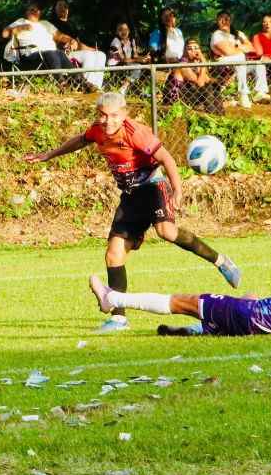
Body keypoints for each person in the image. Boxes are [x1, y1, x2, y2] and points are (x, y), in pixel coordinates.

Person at [23, 92, 241, 333]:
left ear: (124, 113)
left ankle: (221, 261)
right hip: (130, 197)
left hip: (153, 187)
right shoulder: (97, 130)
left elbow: (166, 158)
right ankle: (118, 318)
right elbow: (80, 140)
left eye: (114, 115)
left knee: (166, 232)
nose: (108, 121)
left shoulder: (135, 133)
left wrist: (177, 190)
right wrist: (49, 155)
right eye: (103, 115)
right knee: (113, 255)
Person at [89, 267, 271, 342]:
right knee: (215, 316)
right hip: (257, 321)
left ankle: (112, 299)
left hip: (252, 316)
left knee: (187, 301)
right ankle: (190, 332)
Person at [210, 11, 268, 109]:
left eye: (227, 18)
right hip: (223, 63)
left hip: (240, 63)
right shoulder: (217, 34)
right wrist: (242, 47)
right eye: (221, 19)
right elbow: (227, 52)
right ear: (217, 21)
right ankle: (243, 94)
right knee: (240, 57)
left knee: (258, 64)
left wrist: (236, 47)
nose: (224, 21)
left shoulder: (238, 33)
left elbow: (252, 48)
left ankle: (260, 92)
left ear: (230, 20)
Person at [51, 0, 107, 92]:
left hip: (76, 52)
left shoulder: (71, 25)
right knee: (88, 55)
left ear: (68, 10)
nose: (63, 8)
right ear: (54, 8)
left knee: (101, 54)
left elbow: (78, 44)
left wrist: (93, 49)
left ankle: (96, 86)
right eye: (60, 5)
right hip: (61, 54)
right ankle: (85, 85)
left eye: (65, 6)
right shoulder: (52, 23)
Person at [2, 2, 75, 72]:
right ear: (26, 12)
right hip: (31, 56)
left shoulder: (45, 24)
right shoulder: (21, 22)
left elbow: (60, 36)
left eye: (37, 10)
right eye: (32, 10)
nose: (35, 11)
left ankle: (80, 81)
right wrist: (20, 28)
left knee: (61, 53)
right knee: (52, 53)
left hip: (51, 55)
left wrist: (71, 40)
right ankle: (60, 81)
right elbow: (4, 34)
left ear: (40, 13)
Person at [162, 39, 224, 114]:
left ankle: (220, 114)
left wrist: (219, 82)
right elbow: (200, 84)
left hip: (187, 95)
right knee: (208, 89)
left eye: (196, 48)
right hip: (175, 99)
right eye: (189, 49)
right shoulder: (183, 65)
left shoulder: (195, 64)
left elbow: (207, 80)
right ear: (184, 51)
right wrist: (203, 63)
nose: (193, 51)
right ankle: (213, 114)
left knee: (214, 87)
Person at [108, 22, 151, 96]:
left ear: (129, 31)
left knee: (147, 66)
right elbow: (123, 59)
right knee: (137, 66)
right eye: (120, 30)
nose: (124, 32)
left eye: (126, 29)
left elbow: (135, 56)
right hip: (116, 66)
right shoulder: (115, 42)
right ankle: (124, 87)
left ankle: (140, 89)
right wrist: (139, 60)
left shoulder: (131, 40)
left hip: (128, 64)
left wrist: (144, 57)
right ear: (116, 32)